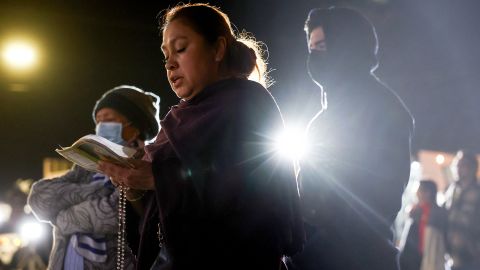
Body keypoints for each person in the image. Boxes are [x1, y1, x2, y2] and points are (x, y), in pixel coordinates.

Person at [98, 3, 304, 270]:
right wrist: (132, 180)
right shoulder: (177, 118)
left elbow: (253, 194)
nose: (170, 63)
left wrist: (158, 178)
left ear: (217, 49)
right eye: (165, 55)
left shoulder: (248, 104)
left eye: (181, 49)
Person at [289, 6, 414, 270]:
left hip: (355, 259)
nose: (314, 56)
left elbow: (380, 201)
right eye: (311, 49)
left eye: (322, 46)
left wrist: (318, 241)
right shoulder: (321, 119)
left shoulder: (386, 111)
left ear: (349, 45)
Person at [28, 85, 160, 270]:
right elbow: (39, 198)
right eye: (98, 120)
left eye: (109, 119)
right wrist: (99, 191)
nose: (101, 126)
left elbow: (114, 215)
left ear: (135, 128)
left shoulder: (144, 166)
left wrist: (60, 216)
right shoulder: (86, 167)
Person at [399, 180, 447, 270]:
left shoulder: (437, 213)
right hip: (412, 257)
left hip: (431, 257)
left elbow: (440, 240)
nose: (417, 193)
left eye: (419, 190)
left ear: (428, 193)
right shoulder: (415, 211)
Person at [444, 150, 480, 270]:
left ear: (472, 167)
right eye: (457, 165)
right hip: (451, 254)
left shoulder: (477, 192)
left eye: (462, 165)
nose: (458, 168)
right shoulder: (452, 190)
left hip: (471, 254)